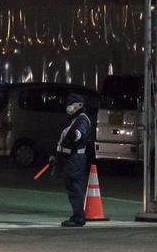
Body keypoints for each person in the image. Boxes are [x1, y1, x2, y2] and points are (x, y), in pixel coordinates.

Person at [50, 92, 93, 227]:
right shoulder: (75, 119)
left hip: (74, 159)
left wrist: (76, 136)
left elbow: (78, 134)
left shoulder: (82, 119)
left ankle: (78, 217)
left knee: (75, 188)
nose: (68, 107)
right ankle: (77, 215)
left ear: (79, 105)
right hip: (70, 158)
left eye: (71, 104)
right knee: (73, 187)